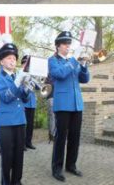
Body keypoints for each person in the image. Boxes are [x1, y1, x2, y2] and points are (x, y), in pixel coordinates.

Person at [49, 31, 90, 182]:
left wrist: (84, 65)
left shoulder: (74, 61)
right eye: (65, 44)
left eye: (69, 44)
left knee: (75, 137)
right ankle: (57, 168)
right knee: (61, 138)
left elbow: (84, 79)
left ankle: (71, 165)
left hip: (76, 104)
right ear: (58, 46)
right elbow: (59, 74)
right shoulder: (53, 61)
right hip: (63, 105)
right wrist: (73, 60)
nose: (68, 46)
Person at [0, 40, 32, 185]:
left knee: (19, 156)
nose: (13, 60)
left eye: (14, 58)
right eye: (9, 58)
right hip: (6, 123)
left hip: (20, 120)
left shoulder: (18, 76)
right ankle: (6, 182)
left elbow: (26, 100)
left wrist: (27, 88)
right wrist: (18, 82)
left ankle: (17, 181)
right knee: (7, 157)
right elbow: (6, 97)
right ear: (1, 61)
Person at [21, 55, 37, 150]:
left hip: (32, 102)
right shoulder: (20, 74)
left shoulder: (32, 74)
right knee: (24, 124)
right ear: (23, 64)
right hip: (24, 102)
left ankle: (29, 142)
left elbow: (39, 87)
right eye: (26, 63)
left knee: (30, 124)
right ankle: (22, 143)